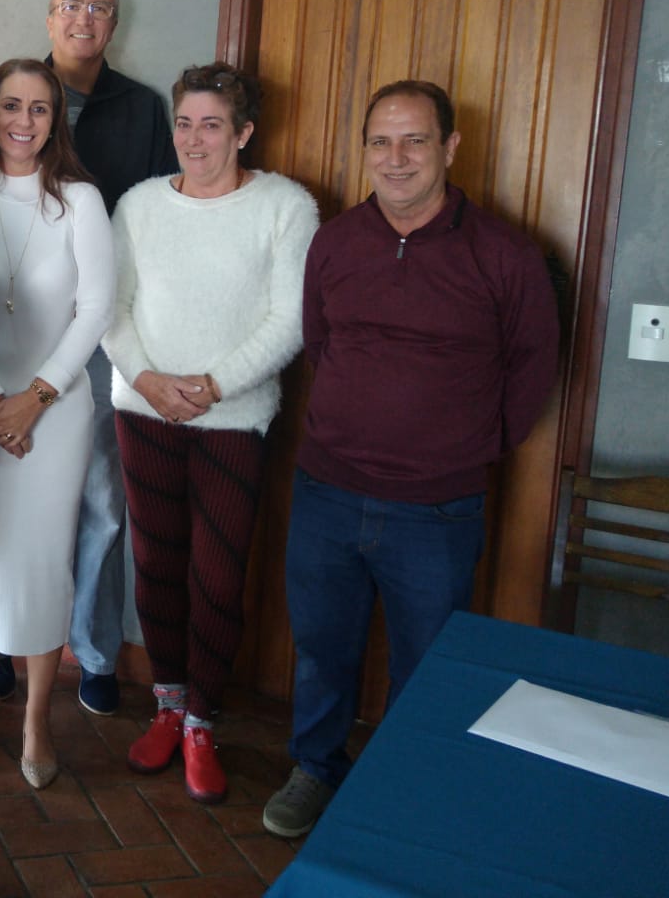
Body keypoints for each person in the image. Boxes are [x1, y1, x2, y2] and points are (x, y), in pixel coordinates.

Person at [261, 79, 558, 839]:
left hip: (439, 507)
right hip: (329, 490)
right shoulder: (335, 242)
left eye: (415, 140)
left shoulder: (505, 255)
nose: (396, 159)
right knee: (323, 649)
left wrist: (472, 446)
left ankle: (398, 786)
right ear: (364, 151)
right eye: (380, 142)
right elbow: (322, 344)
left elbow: (534, 366)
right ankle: (315, 768)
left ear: (451, 148)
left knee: (426, 663)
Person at [106, 64, 318, 804]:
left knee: (218, 577)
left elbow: (290, 319)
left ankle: (202, 719)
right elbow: (110, 306)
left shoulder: (285, 205)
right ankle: (166, 707)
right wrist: (148, 379)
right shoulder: (138, 204)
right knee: (156, 566)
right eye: (186, 124)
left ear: (244, 132)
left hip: (233, 419)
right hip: (144, 411)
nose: (195, 140)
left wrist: (214, 386)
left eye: (213, 125)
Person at [0, 59, 114, 790]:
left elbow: (96, 311)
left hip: (57, 411)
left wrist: (34, 395)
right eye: (11, 105)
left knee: (41, 562)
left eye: (40, 109)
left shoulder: (80, 200)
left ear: (55, 122)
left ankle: (38, 716)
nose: (24, 120)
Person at [0, 0, 173, 714]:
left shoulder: (141, 108)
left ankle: (97, 653)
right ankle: (5, 641)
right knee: (17, 496)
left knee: (103, 499)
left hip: (102, 330)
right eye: (70, 5)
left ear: (113, 24)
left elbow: (159, 217)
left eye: (98, 9)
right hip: (18, 331)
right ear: (48, 16)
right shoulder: (14, 94)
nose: (83, 19)